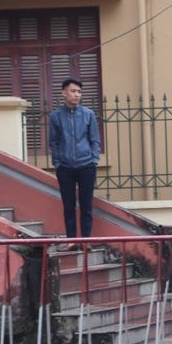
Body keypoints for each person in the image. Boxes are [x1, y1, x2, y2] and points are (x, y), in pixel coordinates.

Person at [48, 77, 101, 250]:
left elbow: (95, 140)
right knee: (68, 206)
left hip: (86, 166)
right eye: (73, 91)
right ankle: (71, 240)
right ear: (64, 93)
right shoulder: (56, 117)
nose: (76, 94)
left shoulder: (88, 115)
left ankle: (86, 241)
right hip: (65, 167)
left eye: (79, 92)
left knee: (86, 206)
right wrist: (57, 162)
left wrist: (93, 160)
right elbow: (53, 142)